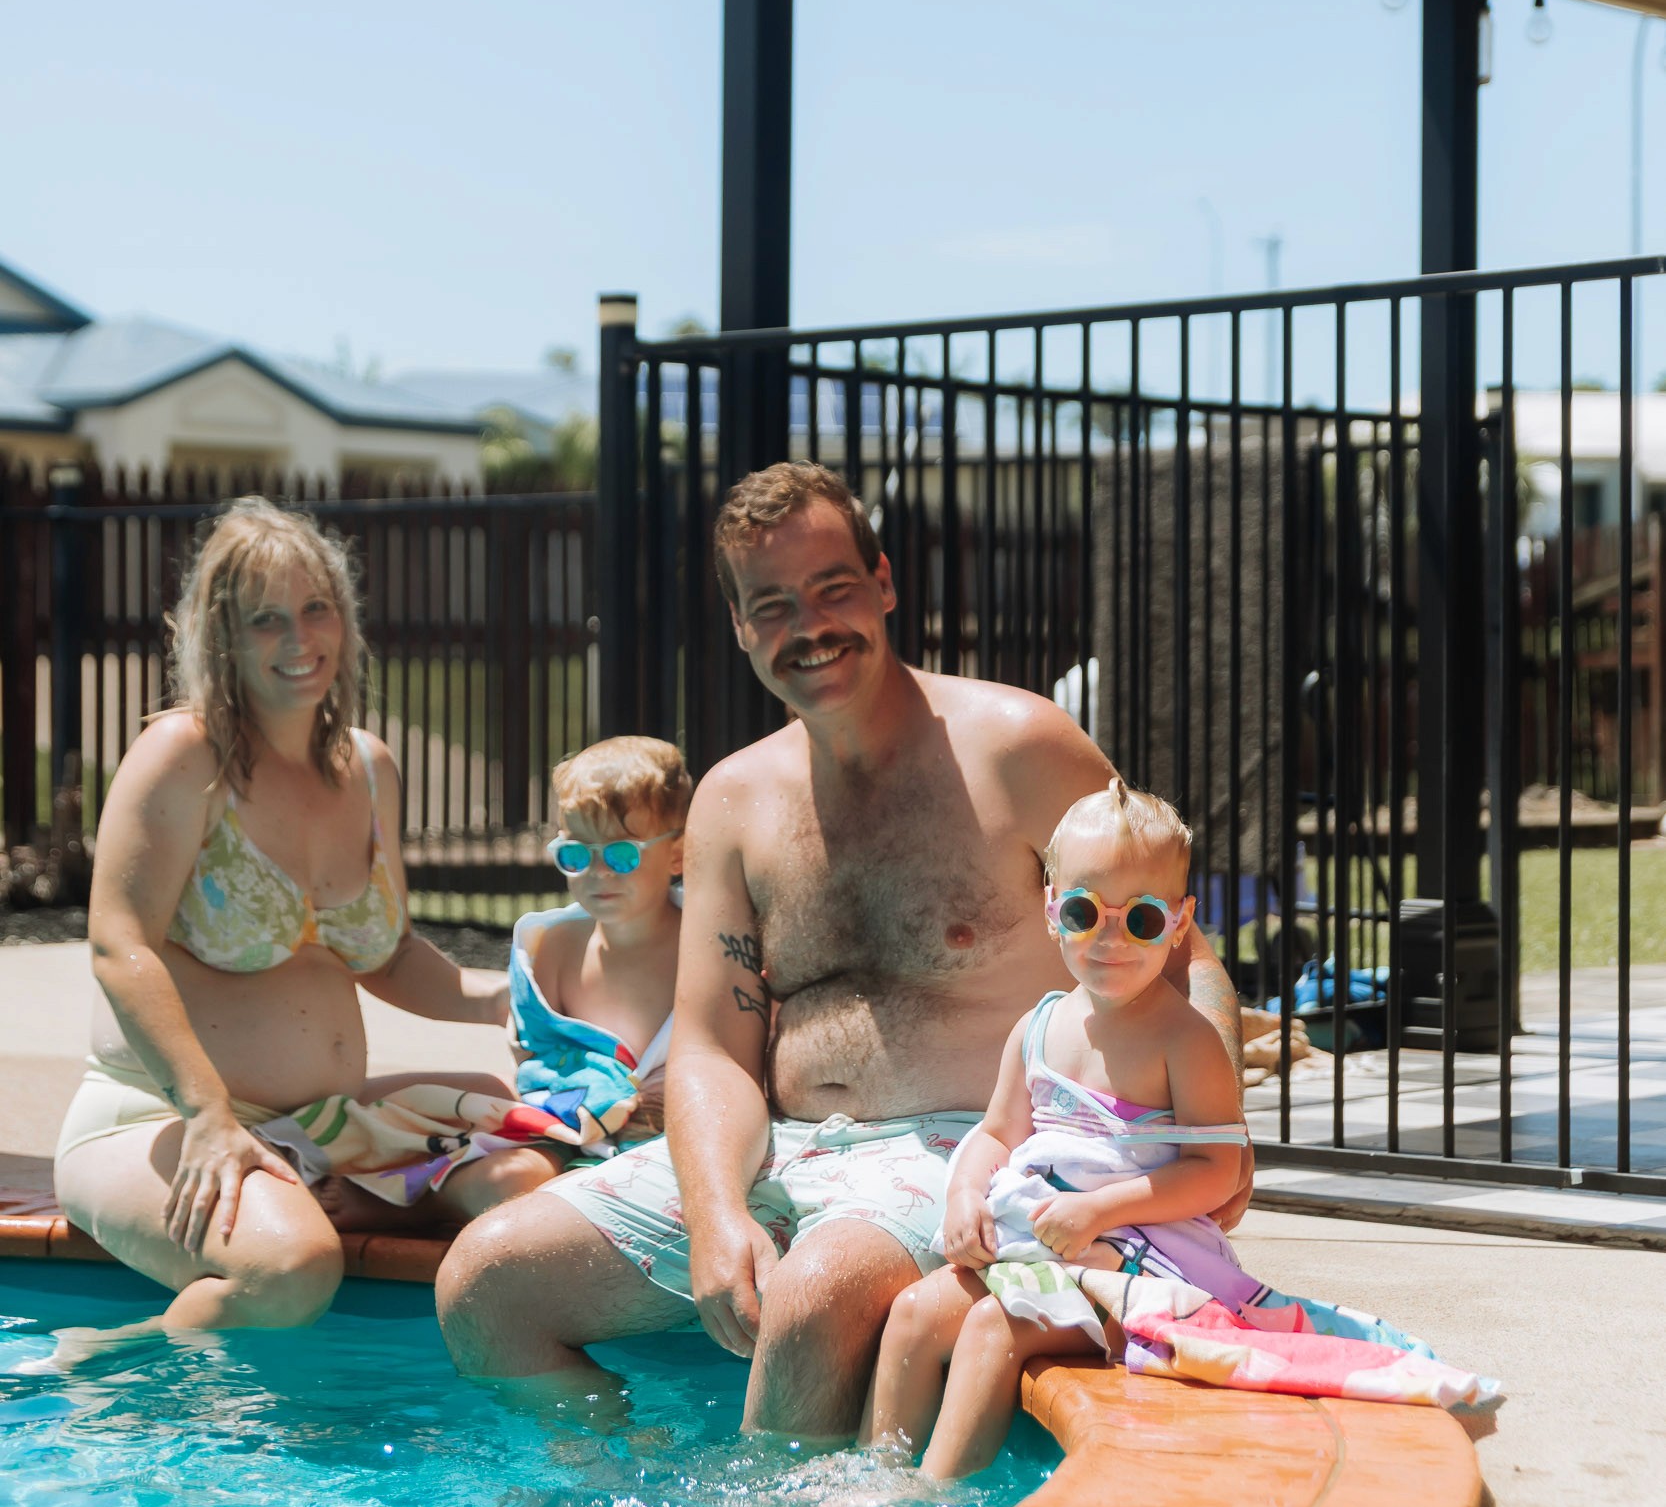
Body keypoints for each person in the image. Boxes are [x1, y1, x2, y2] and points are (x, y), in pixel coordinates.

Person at [437, 462, 1249, 1438]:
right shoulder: (735, 801)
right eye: (771, 604)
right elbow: (708, 1047)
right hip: (792, 1146)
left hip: (971, 1148)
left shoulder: (1016, 747)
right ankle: (621, 1497)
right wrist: (715, 1208)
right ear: (739, 626)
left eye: (833, 588)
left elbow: (1183, 951)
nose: (809, 625)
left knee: (815, 1294)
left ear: (885, 582)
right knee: (484, 1286)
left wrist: (1216, 1144)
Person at [53, 498, 557, 1353]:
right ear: (221, 636)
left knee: (530, 1175)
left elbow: (386, 952)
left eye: (316, 609)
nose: (300, 639)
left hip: (326, 1124)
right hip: (164, 1120)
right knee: (289, 1270)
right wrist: (209, 1114)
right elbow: (118, 945)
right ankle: (114, 1370)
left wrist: (508, 1002)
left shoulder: (366, 766)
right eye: (266, 620)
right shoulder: (185, 756)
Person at [863, 781, 1246, 1477]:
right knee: (914, 1312)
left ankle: (933, 1496)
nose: (1110, 939)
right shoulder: (1038, 1028)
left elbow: (1217, 1172)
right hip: (1040, 1248)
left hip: (1134, 1261)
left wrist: (1101, 1208)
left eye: (1143, 921)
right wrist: (963, 1198)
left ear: (1181, 922)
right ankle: (869, 1476)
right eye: (1084, 911)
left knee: (992, 1326)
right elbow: (994, 1134)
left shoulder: (1185, 1042)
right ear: (1051, 910)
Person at [509, 736, 688, 1153]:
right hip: (572, 1139)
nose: (599, 871)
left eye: (622, 854)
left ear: (678, 855)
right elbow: (537, 1064)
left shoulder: (708, 948)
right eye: (576, 855)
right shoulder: (550, 952)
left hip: (676, 1145)